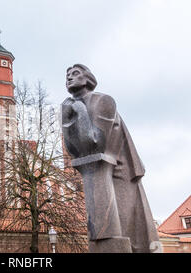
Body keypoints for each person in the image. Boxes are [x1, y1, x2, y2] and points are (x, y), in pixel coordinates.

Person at [61, 64, 161, 253]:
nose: (69, 78)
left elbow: (95, 144)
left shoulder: (103, 101)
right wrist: (67, 117)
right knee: (105, 232)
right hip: (97, 174)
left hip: (118, 173)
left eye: (75, 74)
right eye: (67, 76)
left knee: (127, 229)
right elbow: (74, 150)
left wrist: (80, 112)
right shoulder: (70, 104)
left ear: (88, 79)